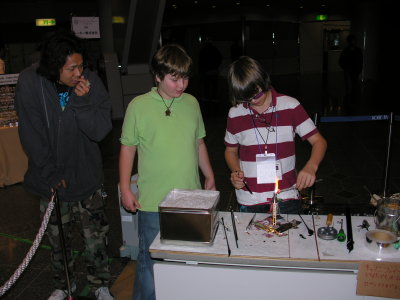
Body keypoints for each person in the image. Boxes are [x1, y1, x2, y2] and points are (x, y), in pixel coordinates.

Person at [15, 31, 114, 300]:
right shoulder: (30, 82)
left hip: (86, 177)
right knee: (58, 240)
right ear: (54, 66)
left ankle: (100, 284)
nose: (79, 72)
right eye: (71, 68)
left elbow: (100, 130)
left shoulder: (90, 82)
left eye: (81, 65)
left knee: (95, 238)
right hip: (50, 180)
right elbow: (30, 133)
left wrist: (81, 102)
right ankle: (63, 284)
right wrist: (49, 172)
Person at [119, 44, 216, 300]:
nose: (181, 85)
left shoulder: (192, 103)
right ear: (158, 76)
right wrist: (125, 188)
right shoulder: (138, 106)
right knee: (150, 266)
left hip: (190, 200)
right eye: (174, 79)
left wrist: (209, 174)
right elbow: (127, 149)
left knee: (188, 262)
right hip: (153, 203)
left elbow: (199, 143)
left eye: (185, 77)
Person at [224, 56, 327, 214]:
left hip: (286, 194)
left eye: (256, 94)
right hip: (249, 197)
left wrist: (311, 167)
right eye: (246, 98)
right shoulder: (235, 113)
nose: (253, 101)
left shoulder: (290, 105)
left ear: (264, 80)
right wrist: (236, 171)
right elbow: (230, 150)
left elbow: (319, 142)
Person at [339, 34, 363, 114]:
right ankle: (348, 104)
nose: (354, 42)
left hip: (355, 71)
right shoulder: (346, 51)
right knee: (348, 88)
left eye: (355, 40)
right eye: (353, 40)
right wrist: (346, 69)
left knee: (354, 87)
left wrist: (359, 69)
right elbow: (341, 61)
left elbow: (360, 61)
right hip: (348, 71)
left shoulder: (358, 50)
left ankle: (352, 104)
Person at [198, 37, 222, 102]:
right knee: (214, 85)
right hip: (214, 70)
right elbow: (219, 58)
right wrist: (216, 66)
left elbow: (200, 61)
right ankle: (214, 98)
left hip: (206, 70)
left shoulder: (203, 50)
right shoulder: (215, 49)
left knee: (206, 85)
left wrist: (201, 70)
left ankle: (206, 97)